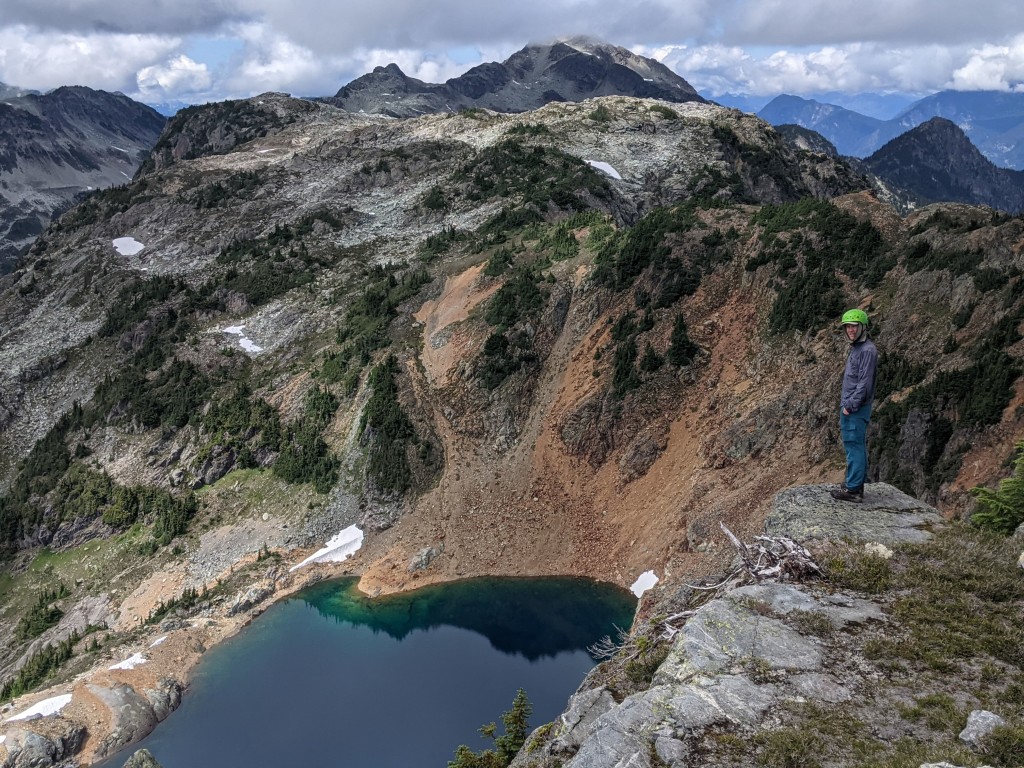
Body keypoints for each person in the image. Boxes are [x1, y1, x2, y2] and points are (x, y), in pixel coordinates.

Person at [831, 308, 878, 503]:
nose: (850, 330)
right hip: (852, 406)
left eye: (854, 326)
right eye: (847, 326)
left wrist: (850, 405)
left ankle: (853, 490)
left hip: (855, 408)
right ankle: (853, 483)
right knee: (852, 445)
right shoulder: (858, 348)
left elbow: (864, 384)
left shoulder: (867, 351)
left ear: (862, 327)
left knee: (854, 445)